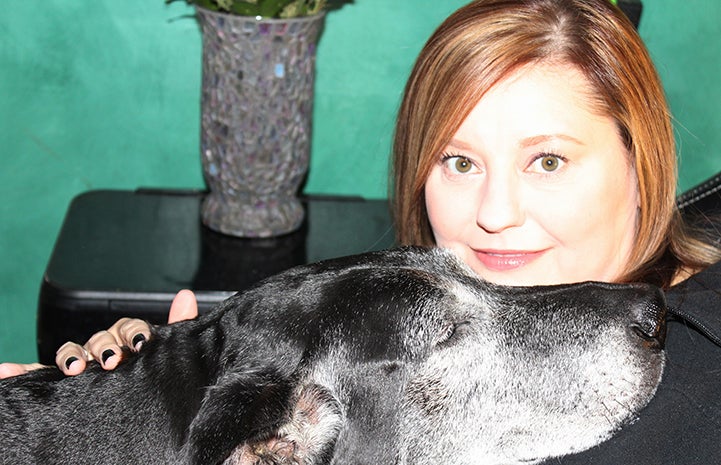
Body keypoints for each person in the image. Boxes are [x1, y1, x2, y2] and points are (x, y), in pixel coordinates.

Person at [2, 0, 721, 461]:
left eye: (549, 158)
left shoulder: (686, 395)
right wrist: (159, 390)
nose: (495, 211)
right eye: (459, 160)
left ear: (642, 163)